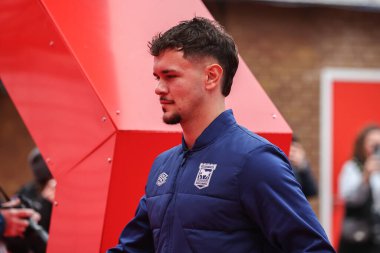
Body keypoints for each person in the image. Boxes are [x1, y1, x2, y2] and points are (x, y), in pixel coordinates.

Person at [108, 17, 335, 252]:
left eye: (170, 76)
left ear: (212, 76)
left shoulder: (255, 161)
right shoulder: (163, 165)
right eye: (157, 77)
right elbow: (133, 249)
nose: (159, 88)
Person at [338, 124, 380, 253]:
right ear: (362, 145)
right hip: (357, 238)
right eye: (372, 143)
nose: (376, 148)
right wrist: (365, 177)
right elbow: (350, 198)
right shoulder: (352, 167)